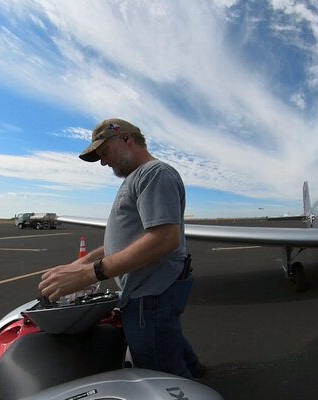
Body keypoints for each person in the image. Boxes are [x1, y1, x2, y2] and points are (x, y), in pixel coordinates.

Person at [39, 118, 204, 379]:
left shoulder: (155, 174)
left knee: (158, 370)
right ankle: (195, 371)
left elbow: (164, 238)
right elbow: (124, 241)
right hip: (147, 290)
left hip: (152, 291)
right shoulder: (134, 179)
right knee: (164, 336)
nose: (104, 162)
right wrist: (79, 265)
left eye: (104, 152)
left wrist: (90, 274)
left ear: (126, 138)